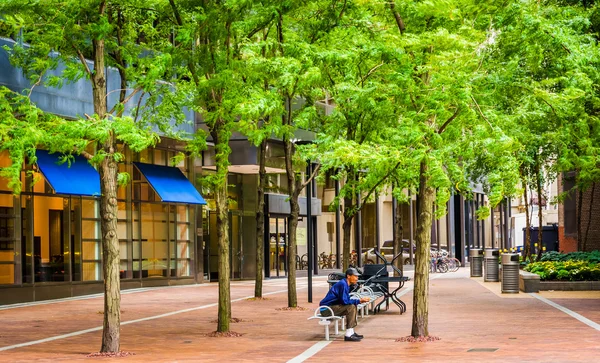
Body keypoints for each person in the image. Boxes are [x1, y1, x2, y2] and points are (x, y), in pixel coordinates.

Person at [319, 267, 370, 342]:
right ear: (348, 276)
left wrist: (358, 301)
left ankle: (351, 331)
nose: (357, 278)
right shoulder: (343, 284)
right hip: (326, 310)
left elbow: (346, 300)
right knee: (351, 307)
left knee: (353, 306)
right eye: (355, 276)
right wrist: (359, 300)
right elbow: (345, 301)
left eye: (357, 276)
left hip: (331, 308)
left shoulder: (345, 284)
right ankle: (348, 334)